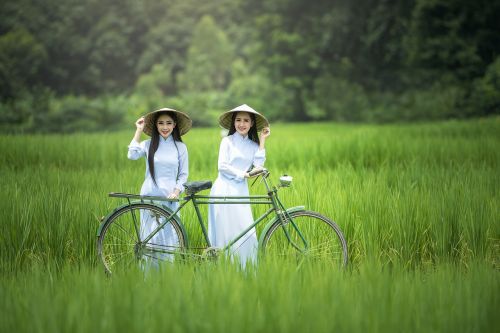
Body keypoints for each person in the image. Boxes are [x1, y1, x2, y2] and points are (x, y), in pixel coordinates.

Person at [208, 104, 271, 266]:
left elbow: (258, 165)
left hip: (240, 190)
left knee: (246, 231)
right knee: (225, 233)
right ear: (233, 123)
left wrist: (262, 140)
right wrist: (243, 174)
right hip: (223, 189)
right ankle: (222, 269)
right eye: (238, 120)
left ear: (251, 124)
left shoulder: (253, 145)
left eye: (246, 120)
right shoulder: (227, 141)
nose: (241, 124)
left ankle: (245, 269)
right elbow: (222, 166)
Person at [128, 107, 191, 265]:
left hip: (170, 197)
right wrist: (139, 130)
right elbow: (131, 155)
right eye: (161, 123)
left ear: (175, 125)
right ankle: (147, 278)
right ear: (155, 125)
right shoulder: (148, 144)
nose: (165, 127)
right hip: (150, 195)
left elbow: (183, 175)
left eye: (168, 123)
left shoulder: (180, 147)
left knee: (167, 240)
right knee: (149, 238)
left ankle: (166, 277)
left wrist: (177, 192)